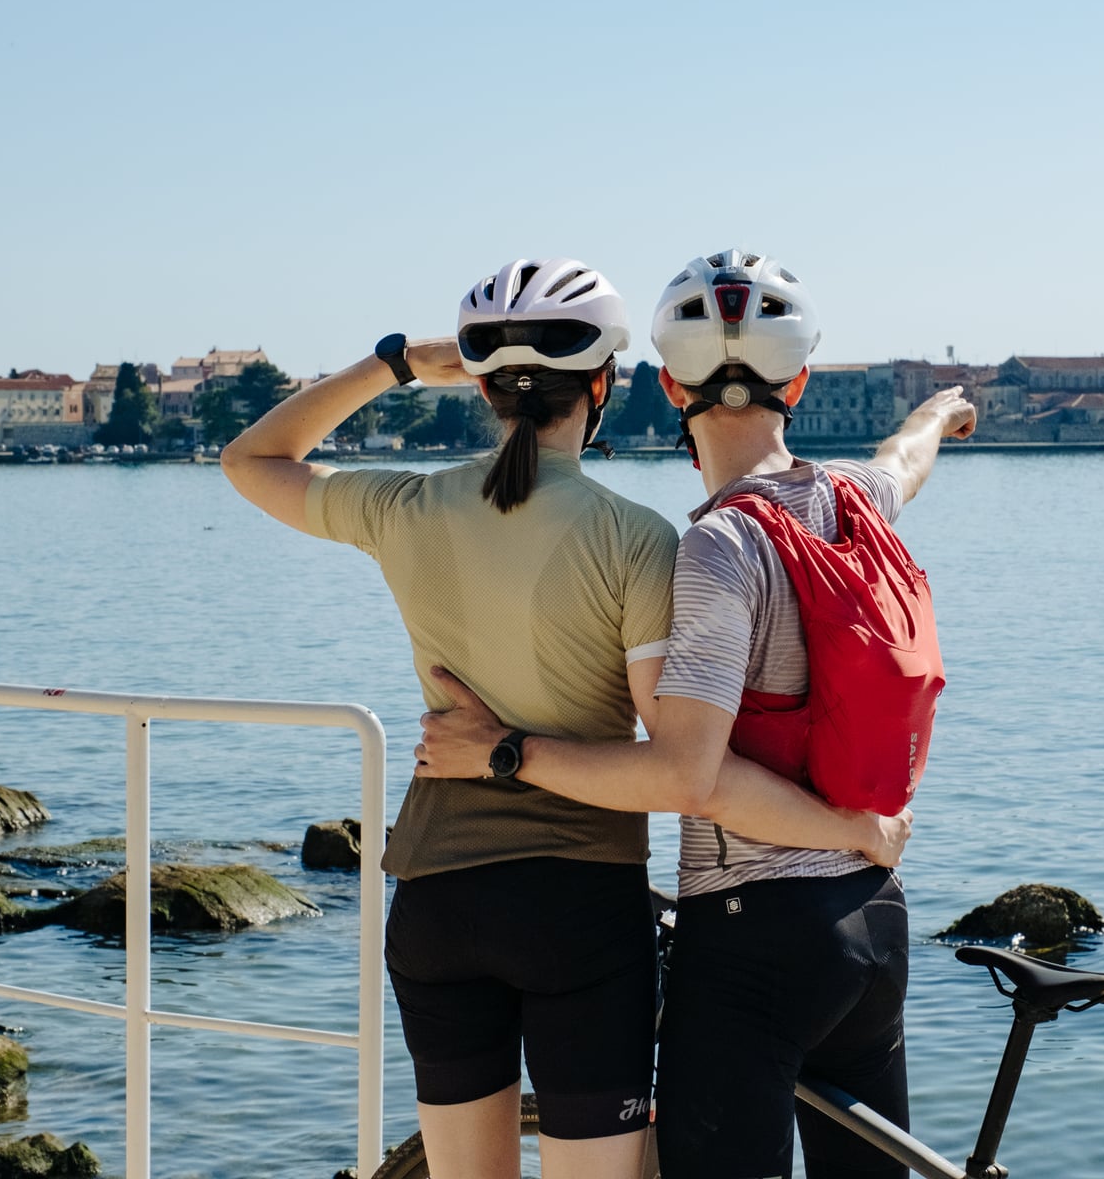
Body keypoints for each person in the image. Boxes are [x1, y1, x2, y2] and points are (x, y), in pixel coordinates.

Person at [219, 257, 903, 1179]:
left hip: (433, 898)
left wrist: (399, 363)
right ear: (605, 385)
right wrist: (844, 828)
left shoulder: (403, 505)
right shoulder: (638, 539)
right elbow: (681, 766)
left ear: (488, 390)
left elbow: (250, 459)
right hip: (577, 911)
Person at [415, 248, 977, 1179]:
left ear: (670, 387)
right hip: (872, 929)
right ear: (798, 379)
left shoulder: (719, 549)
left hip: (757, 939)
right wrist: (938, 414)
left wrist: (502, 752)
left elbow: (688, 775)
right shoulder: (853, 499)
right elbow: (902, 464)